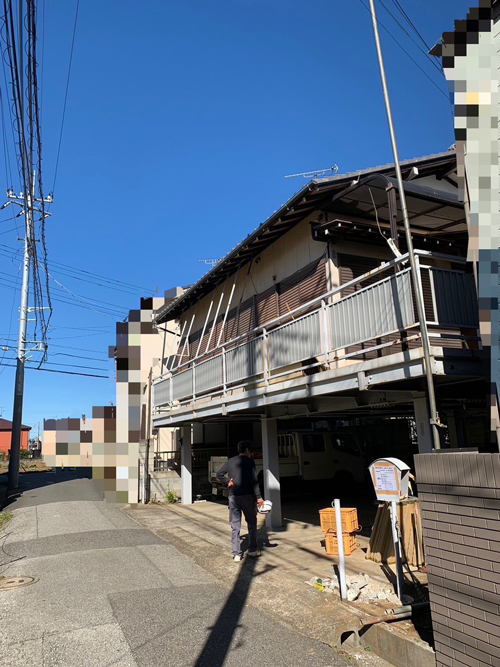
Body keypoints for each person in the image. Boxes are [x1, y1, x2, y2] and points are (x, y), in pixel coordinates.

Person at [216, 440, 265, 561]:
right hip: (247, 497)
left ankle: (236, 554)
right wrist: (259, 497)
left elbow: (219, 474)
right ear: (247, 450)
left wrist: (228, 482)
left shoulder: (231, 461)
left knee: (235, 525)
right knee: (252, 522)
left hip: (233, 497)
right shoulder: (250, 462)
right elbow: (254, 481)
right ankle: (252, 550)